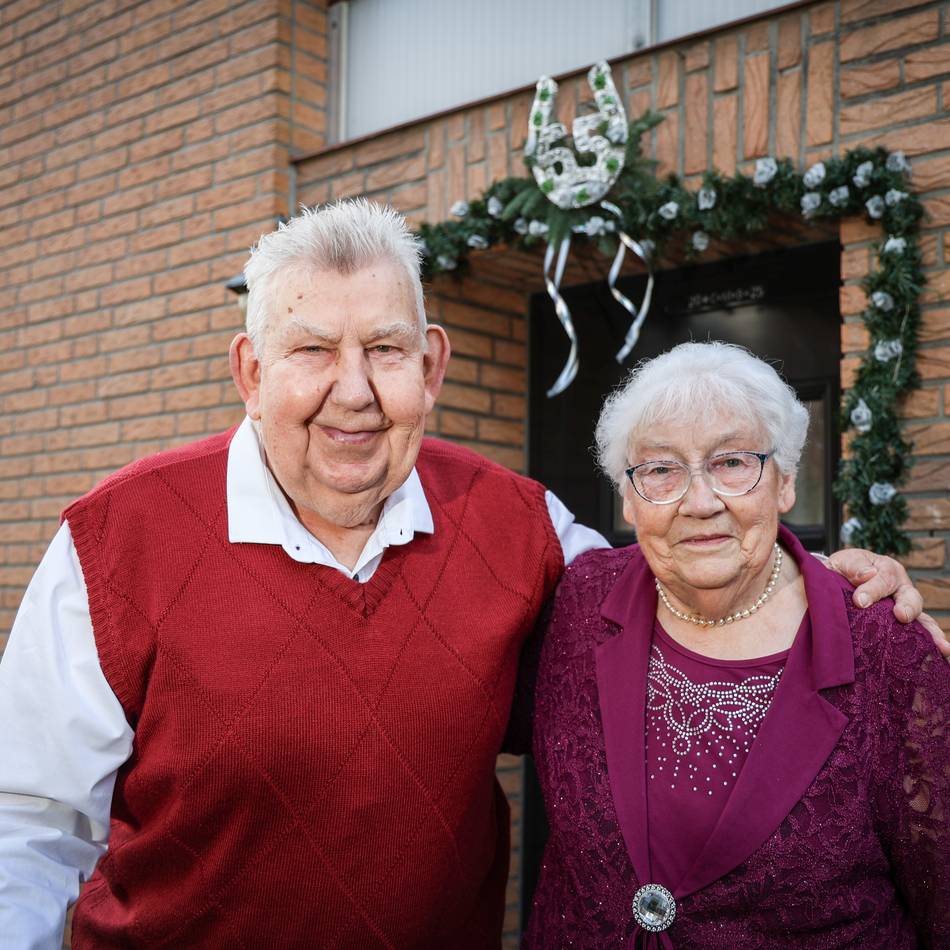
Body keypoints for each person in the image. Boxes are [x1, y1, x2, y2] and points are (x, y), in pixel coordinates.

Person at [0, 203, 933, 950]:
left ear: (432, 364)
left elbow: (687, 578)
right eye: (313, 351)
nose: (354, 391)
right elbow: (26, 830)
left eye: (386, 350)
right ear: (250, 371)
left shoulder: (521, 525)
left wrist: (831, 591)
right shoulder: (114, 540)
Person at [524, 341, 949, 949]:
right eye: (661, 470)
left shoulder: (887, 652)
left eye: (731, 462)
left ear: (785, 482)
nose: (700, 503)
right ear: (628, 498)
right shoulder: (579, 600)